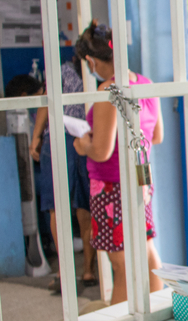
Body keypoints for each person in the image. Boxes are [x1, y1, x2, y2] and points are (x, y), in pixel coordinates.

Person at [71, 21, 164, 304]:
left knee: (120, 262)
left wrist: (82, 144)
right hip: (141, 180)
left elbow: (101, 150)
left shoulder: (109, 91)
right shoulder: (144, 84)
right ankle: (157, 309)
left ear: (90, 60)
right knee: (147, 250)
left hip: (111, 185)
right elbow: (157, 136)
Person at [6, 71, 97, 293]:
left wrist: (35, 138)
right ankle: (88, 271)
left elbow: (45, 105)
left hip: (57, 139)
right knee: (84, 205)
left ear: (24, 95)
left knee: (56, 208)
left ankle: (64, 273)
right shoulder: (82, 73)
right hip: (85, 136)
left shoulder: (58, 71)